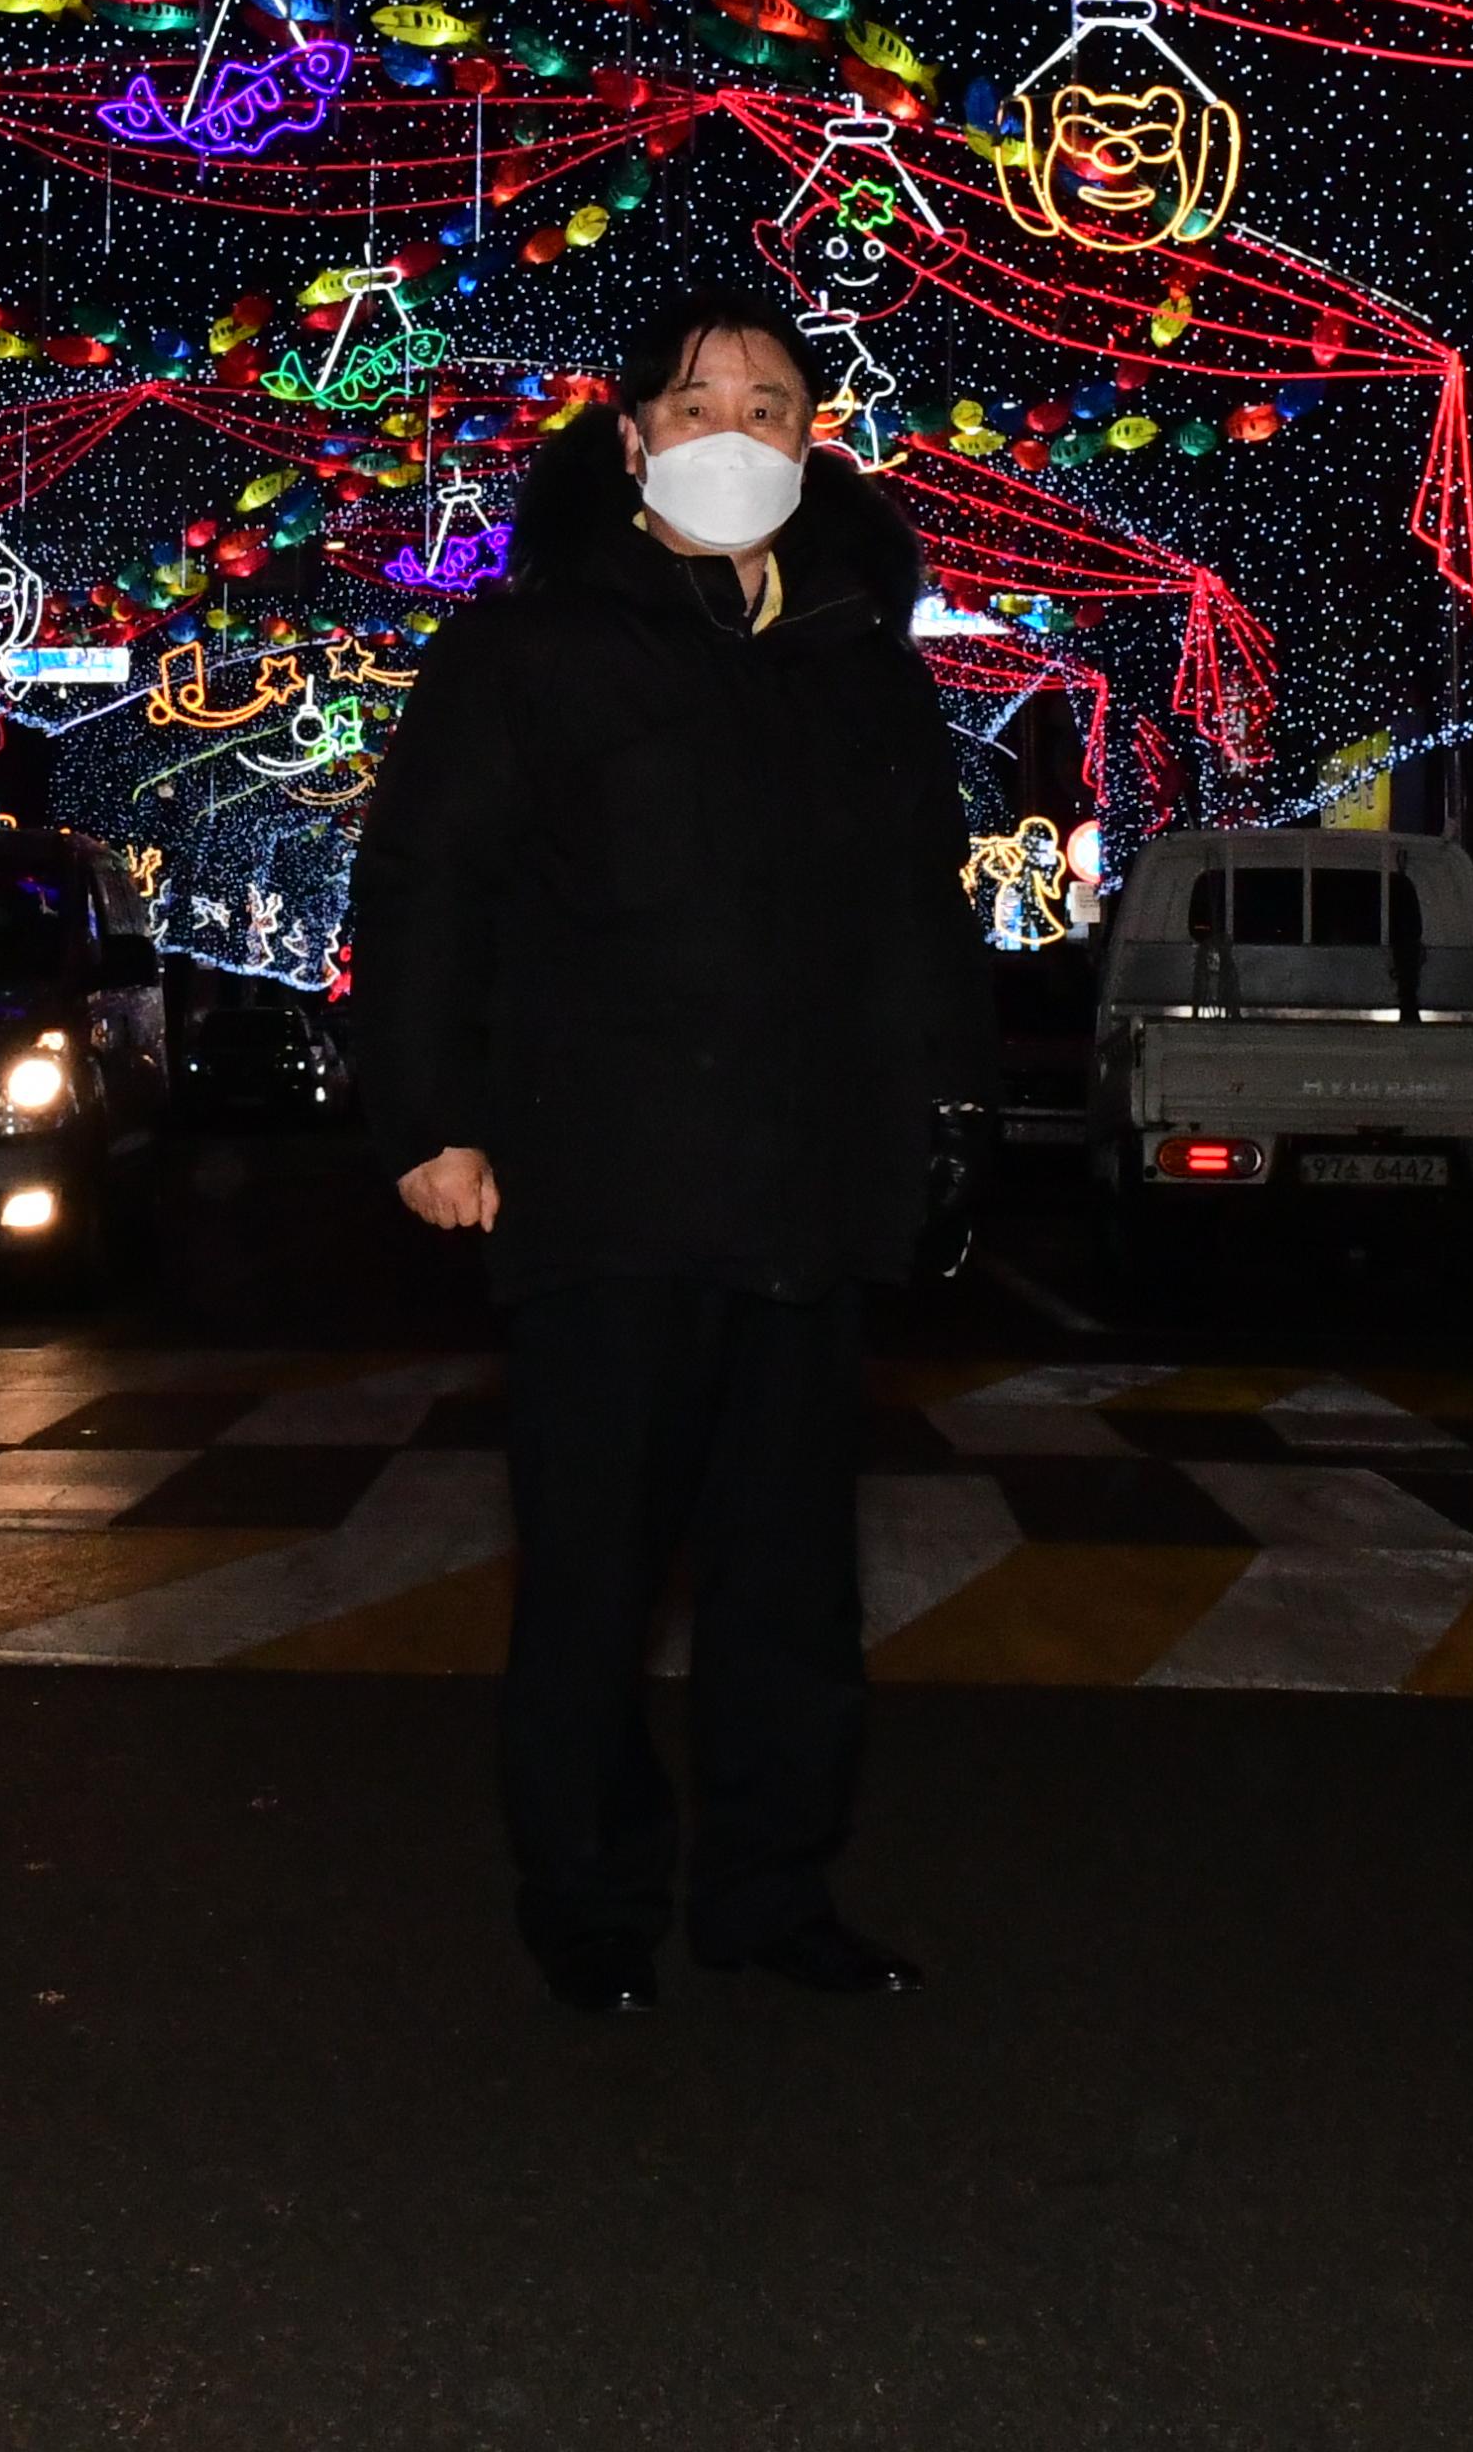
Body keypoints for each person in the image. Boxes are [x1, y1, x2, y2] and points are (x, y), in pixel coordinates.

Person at [349, 286, 999, 2018]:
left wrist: (943, 1103)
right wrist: (426, 1118)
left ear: (814, 443)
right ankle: (589, 1904)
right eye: (696, 402)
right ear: (629, 437)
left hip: (804, 1189)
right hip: (598, 1180)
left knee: (789, 1586)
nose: (732, 433)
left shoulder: (863, 655)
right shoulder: (532, 644)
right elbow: (423, 887)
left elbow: (915, 913)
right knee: (593, 1581)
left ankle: (772, 1894)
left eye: (769, 406)